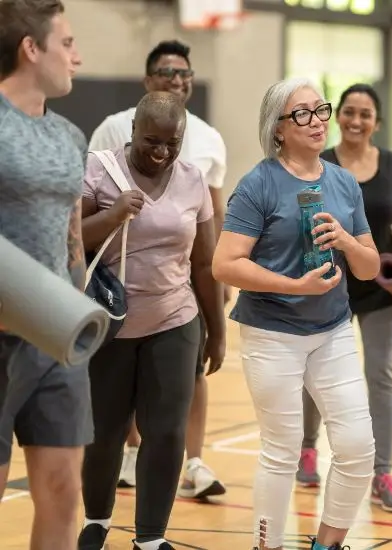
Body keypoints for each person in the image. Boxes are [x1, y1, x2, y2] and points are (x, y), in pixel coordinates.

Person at [212, 77, 380, 550]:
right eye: (302, 113)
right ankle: (268, 545)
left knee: (356, 448)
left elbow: (369, 268)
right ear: (279, 128)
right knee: (282, 451)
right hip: (272, 333)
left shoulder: (343, 182)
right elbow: (224, 264)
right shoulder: (259, 183)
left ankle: (327, 544)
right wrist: (293, 285)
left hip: (333, 331)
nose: (317, 120)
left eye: (320, 109)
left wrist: (347, 241)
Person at [77, 91, 226, 550]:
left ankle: (150, 538)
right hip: (111, 323)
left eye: (171, 143)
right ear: (133, 133)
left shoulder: (192, 179)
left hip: (175, 321)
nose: (161, 151)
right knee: (104, 433)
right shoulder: (99, 169)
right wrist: (113, 213)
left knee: (165, 434)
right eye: (151, 141)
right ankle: (97, 521)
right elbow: (72, 240)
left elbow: (204, 264)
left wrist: (216, 330)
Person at [297, 83, 392, 513]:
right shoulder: (320, 163)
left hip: (380, 286)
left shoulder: (390, 164)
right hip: (327, 283)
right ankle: (307, 449)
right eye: (349, 112)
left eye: (365, 114)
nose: (356, 120)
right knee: (314, 371)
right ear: (338, 116)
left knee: (380, 376)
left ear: (377, 121)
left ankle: (383, 473)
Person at [0, 1, 92, 548]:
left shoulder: (69, 138)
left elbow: (71, 234)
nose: (77, 58)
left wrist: (78, 312)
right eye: (67, 44)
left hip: (54, 342)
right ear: (30, 50)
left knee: (62, 488)